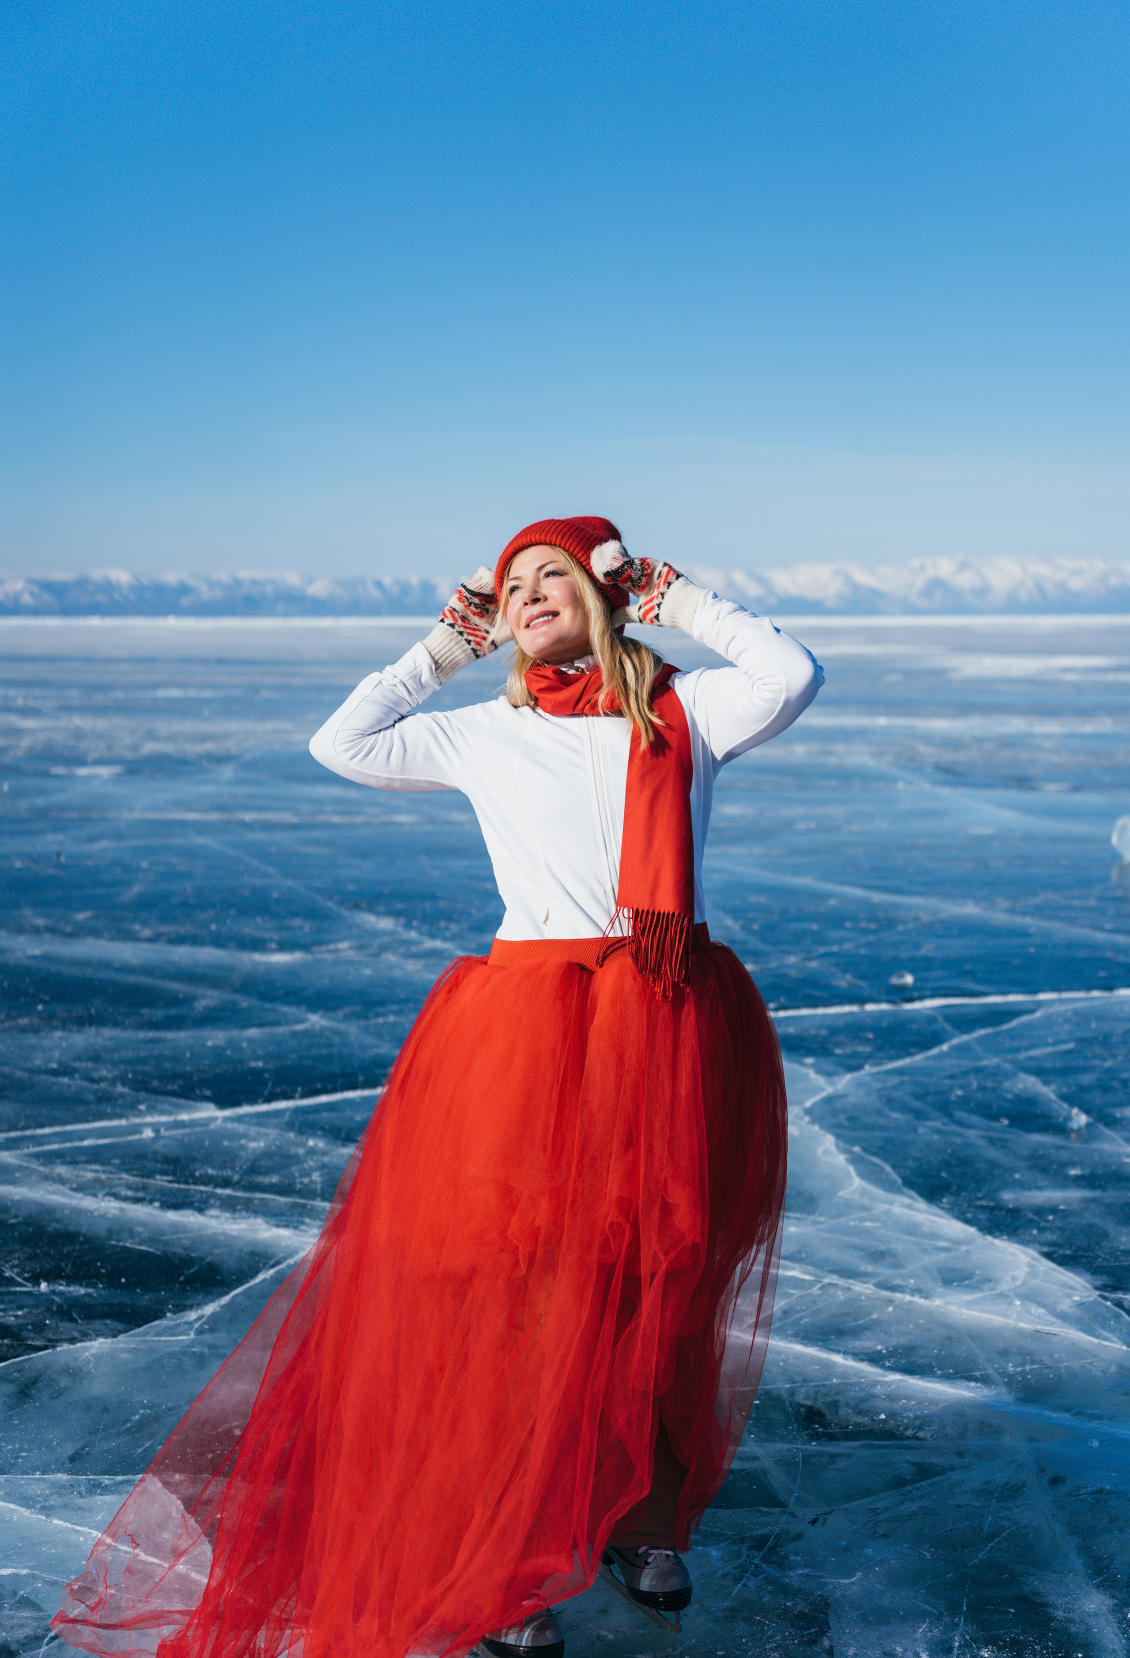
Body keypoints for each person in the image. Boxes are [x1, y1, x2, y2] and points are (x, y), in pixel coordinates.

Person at [53, 517, 823, 1658]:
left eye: (551, 575)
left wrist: (676, 595)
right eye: (509, 587)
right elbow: (342, 740)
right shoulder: (486, 731)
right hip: (530, 1036)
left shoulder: (686, 715)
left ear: (607, 591)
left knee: (657, 1282)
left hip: (665, 1023)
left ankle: (639, 1518)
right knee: (517, 1298)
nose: (527, 596)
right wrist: (445, 643)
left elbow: (789, 673)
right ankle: (505, 1557)